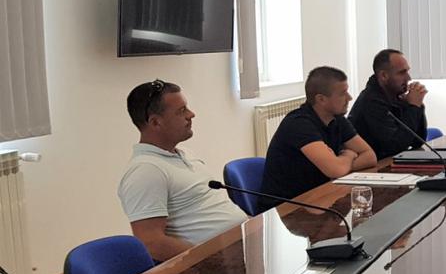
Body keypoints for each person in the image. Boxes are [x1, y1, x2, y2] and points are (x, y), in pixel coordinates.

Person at [118, 80, 247, 262]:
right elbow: (152, 243)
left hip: (240, 247)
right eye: (181, 111)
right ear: (155, 122)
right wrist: (212, 260)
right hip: (215, 264)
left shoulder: (184, 154)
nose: (191, 114)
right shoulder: (146, 171)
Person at [260, 66, 377, 208]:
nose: (349, 98)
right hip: (286, 207)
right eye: (342, 93)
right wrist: (348, 155)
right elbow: (335, 170)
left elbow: (370, 156)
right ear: (321, 99)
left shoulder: (337, 119)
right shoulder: (299, 124)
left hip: (318, 197)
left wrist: (341, 164)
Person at [348, 48, 430, 160]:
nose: (408, 78)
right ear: (384, 76)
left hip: (388, 162)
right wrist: (414, 106)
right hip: (373, 166)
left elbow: (417, 140)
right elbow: (394, 146)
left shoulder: (395, 96)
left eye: (407, 71)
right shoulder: (372, 101)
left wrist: (416, 105)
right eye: (402, 73)